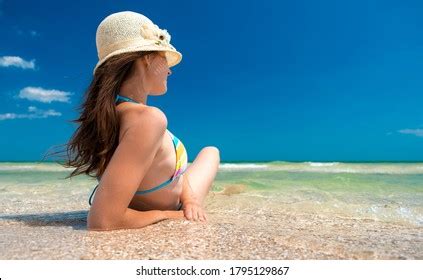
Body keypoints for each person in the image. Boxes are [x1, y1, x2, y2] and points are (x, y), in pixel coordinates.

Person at [60, 11, 220, 231]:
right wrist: (167, 214)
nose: (170, 70)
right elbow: (102, 222)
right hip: (171, 204)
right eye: (164, 58)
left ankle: (195, 198)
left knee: (210, 151)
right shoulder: (148, 119)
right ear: (147, 58)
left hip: (180, 192)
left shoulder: (111, 114)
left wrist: (191, 200)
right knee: (211, 152)